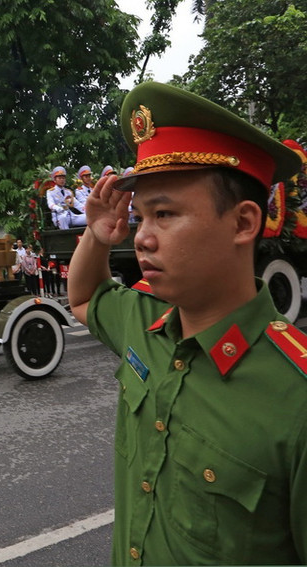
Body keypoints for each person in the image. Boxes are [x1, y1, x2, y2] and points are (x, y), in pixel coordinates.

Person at [68, 82, 307, 565]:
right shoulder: (146, 321)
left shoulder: (296, 396)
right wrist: (96, 238)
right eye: (140, 217)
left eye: (165, 214)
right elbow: (86, 297)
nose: (143, 239)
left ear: (243, 223)